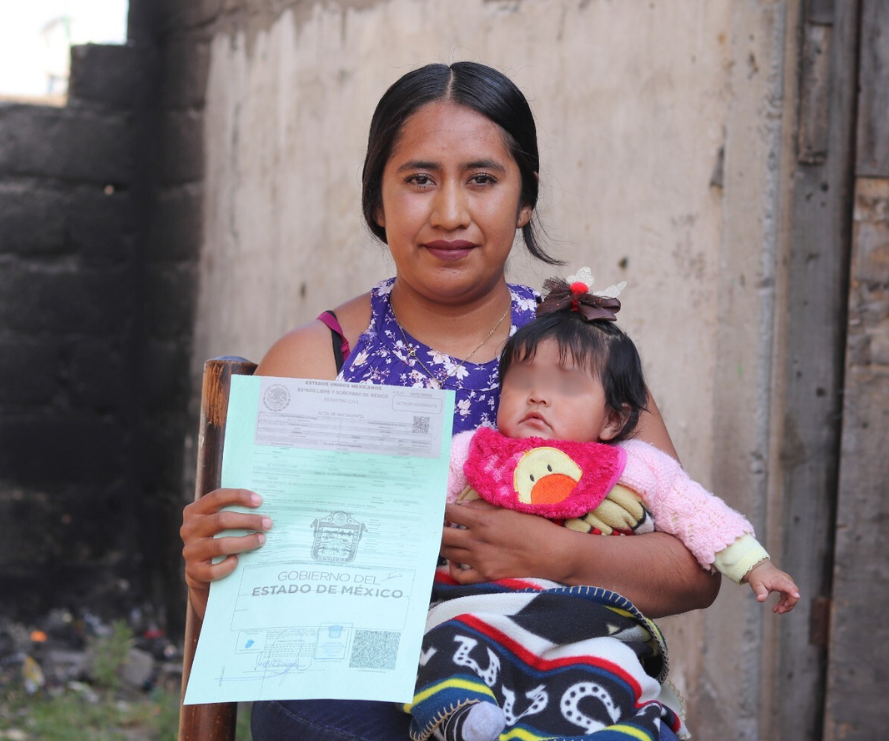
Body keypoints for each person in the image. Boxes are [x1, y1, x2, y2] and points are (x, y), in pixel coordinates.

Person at [178, 61, 719, 741]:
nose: (450, 213)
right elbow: (263, 599)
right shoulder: (320, 362)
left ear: (525, 199)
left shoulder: (581, 356)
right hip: (350, 694)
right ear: (377, 199)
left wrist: (548, 554)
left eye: (483, 180)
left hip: (543, 676)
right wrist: (213, 574)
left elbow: (693, 571)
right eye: (418, 179)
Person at [407, 273, 800, 741]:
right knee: (444, 638)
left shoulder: (635, 465)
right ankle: (465, 718)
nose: (538, 394)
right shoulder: (472, 452)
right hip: (481, 610)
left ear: (613, 419)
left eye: (566, 386)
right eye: (523, 381)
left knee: (612, 666)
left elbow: (696, 513)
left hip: (583, 623)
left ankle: (612, 731)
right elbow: (415, 500)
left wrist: (754, 564)